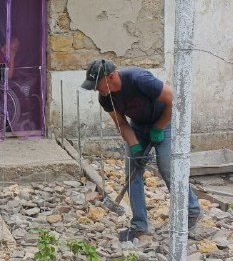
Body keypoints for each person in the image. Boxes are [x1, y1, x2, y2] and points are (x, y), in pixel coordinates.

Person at [81, 59, 202, 242]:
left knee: (166, 166)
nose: (96, 90)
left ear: (111, 77)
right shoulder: (105, 97)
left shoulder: (139, 79)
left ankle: (192, 211)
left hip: (165, 121)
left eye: (97, 85)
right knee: (132, 170)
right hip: (138, 126)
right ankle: (139, 225)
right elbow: (121, 123)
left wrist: (159, 128)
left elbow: (175, 100)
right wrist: (135, 146)